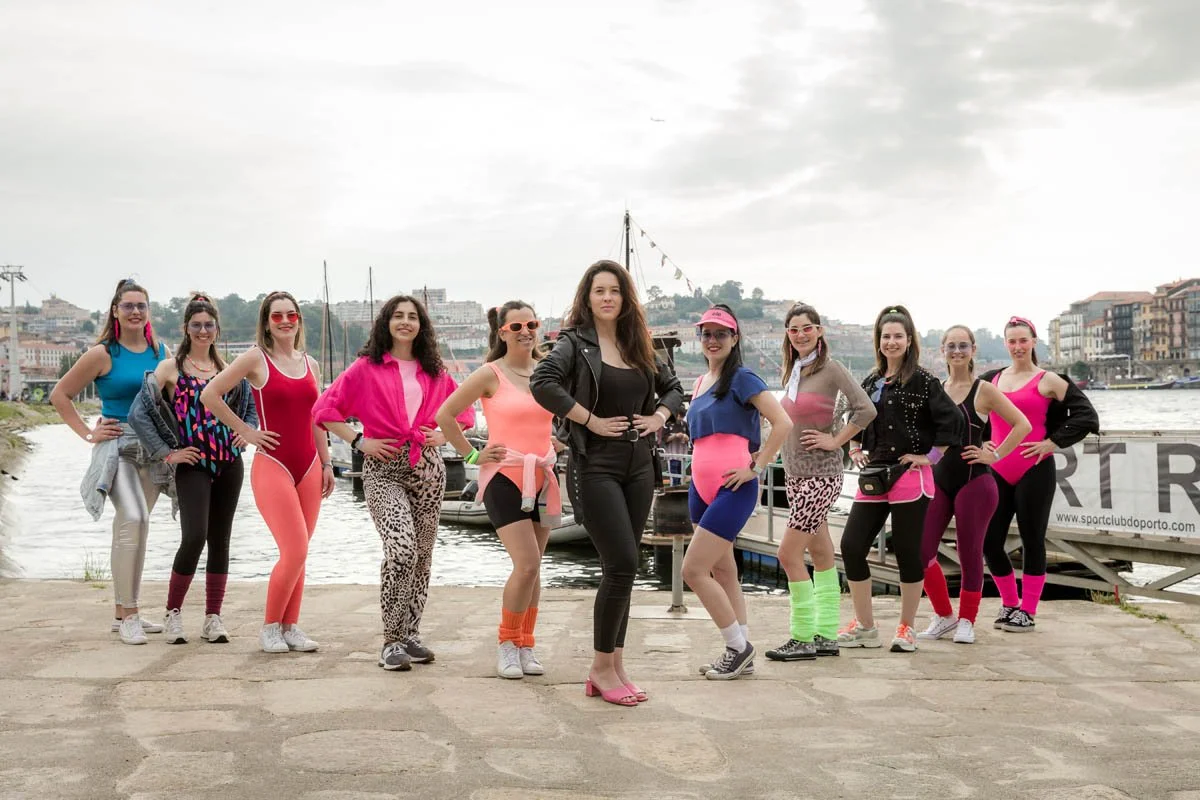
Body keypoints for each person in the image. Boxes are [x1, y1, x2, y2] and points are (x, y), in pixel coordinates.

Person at [530, 260, 684, 707]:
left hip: (639, 465)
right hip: (594, 465)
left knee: (625, 568)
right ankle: (600, 668)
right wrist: (590, 420)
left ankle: (615, 665)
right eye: (599, 290)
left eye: (614, 290)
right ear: (587, 297)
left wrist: (658, 417)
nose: (607, 298)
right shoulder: (574, 344)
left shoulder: (639, 344)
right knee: (621, 562)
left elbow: (673, 388)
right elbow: (543, 383)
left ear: (625, 296)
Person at [314, 295, 474, 671]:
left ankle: (411, 635)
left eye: (412, 317)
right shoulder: (366, 368)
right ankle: (391, 641)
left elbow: (464, 412)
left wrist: (443, 435)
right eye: (398, 316)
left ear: (421, 325)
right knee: (402, 550)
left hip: (428, 469)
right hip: (383, 468)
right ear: (386, 323)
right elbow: (324, 410)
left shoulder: (435, 371)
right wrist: (358, 441)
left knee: (423, 556)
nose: (405, 322)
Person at [200, 291, 334, 654]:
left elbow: (317, 418)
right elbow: (210, 395)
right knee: (294, 548)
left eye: (292, 314)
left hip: (309, 466)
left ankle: (291, 627)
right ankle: (270, 627)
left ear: (299, 320)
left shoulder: (311, 364)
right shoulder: (256, 358)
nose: (286, 321)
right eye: (277, 316)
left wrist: (326, 463)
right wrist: (246, 431)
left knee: (301, 552)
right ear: (266, 322)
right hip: (273, 465)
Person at [436, 300, 556, 680]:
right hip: (504, 476)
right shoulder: (490, 374)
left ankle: (525, 644)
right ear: (502, 332)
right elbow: (445, 415)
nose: (525, 332)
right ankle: (507, 643)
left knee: (535, 570)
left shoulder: (547, 371)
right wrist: (473, 455)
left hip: (542, 476)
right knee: (527, 564)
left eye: (531, 324)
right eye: (516, 326)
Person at [129, 294, 258, 644]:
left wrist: (246, 432)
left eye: (209, 325)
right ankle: (173, 613)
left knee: (221, 540)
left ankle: (213, 618)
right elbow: (139, 413)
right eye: (196, 325)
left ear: (217, 329)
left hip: (229, 462)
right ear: (186, 328)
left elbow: (250, 410)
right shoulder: (170, 368)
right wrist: (166, 453)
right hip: (193, 463)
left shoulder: (230, 369)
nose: (203, 331)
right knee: (194, 536)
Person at [50, 279, 170, 644]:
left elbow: (173, 398)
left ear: (148, 312)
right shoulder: (103, 354)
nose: (135, 311)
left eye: (141, 306)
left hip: (152, 449)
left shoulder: (161, 352)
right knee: (134, 517)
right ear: (115, 311)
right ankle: (130, 614)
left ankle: (124, 613)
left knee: (135, 527)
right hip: (118, 447)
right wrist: (89, 433)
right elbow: (60, 395)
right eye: (128, 305)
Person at [838, 305, 961, 653]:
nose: (891, 342)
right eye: (885, 336)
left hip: (910, 477)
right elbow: (856, 418)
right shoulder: (871, 381)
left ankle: (906, 627)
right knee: (851, 547)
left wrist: (930, 457)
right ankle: (865, 626)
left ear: (909, 340)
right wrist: (855, 447)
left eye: (897, 336)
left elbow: (952, 422)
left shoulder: (924, 382)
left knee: (908, 553)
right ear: (878, 341)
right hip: (875, 475)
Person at [681, 305, 792, 680]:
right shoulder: (700, 382)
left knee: (693, 570)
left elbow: (783, 422)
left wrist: (756, 467)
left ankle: (736, 648)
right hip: (700, 488)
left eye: (721, 334)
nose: (712, 340)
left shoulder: (743, 378)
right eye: (706, 334)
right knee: (722, 569)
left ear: (735, 338)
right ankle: (742, 649)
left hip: (735, 486)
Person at [765, 303, 875, 663]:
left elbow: (866, 409)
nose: (800, 335)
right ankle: (826, 634)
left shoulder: (832, 369)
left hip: (820, 476)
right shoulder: (794, 371)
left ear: (819, 331)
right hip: (795, 474)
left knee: (787, 554)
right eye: (793, 329)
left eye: (806, 328)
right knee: (822, 554)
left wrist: (836, 440)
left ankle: (801, 638)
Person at [981, 316, 1099, 632]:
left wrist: (1052, 442)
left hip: (1034, 468)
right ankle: (1010, 603)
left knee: (1032, 539)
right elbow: (971, 416)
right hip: (997, 469)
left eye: (1023, 340)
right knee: (990, 541)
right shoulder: (991, 380)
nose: (1018, 347)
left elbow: (1086, 416)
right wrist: (982, 441)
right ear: (1005, 344)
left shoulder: (1049, 380)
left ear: (1034, 342)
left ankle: (1028, 611)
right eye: (1012, 341)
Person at [917, 325, 1030, 645]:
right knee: (921, 551)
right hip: (939, 481)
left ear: (973, 350)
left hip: (975, 483)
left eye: (963, 345)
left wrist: (994, 454)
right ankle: (944, 616)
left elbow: (1022, 424)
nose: (957, 351)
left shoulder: (984, 390)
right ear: (942, 350)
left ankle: (967, 620)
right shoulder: (936, 389)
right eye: (951, 346)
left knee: (969, 553)